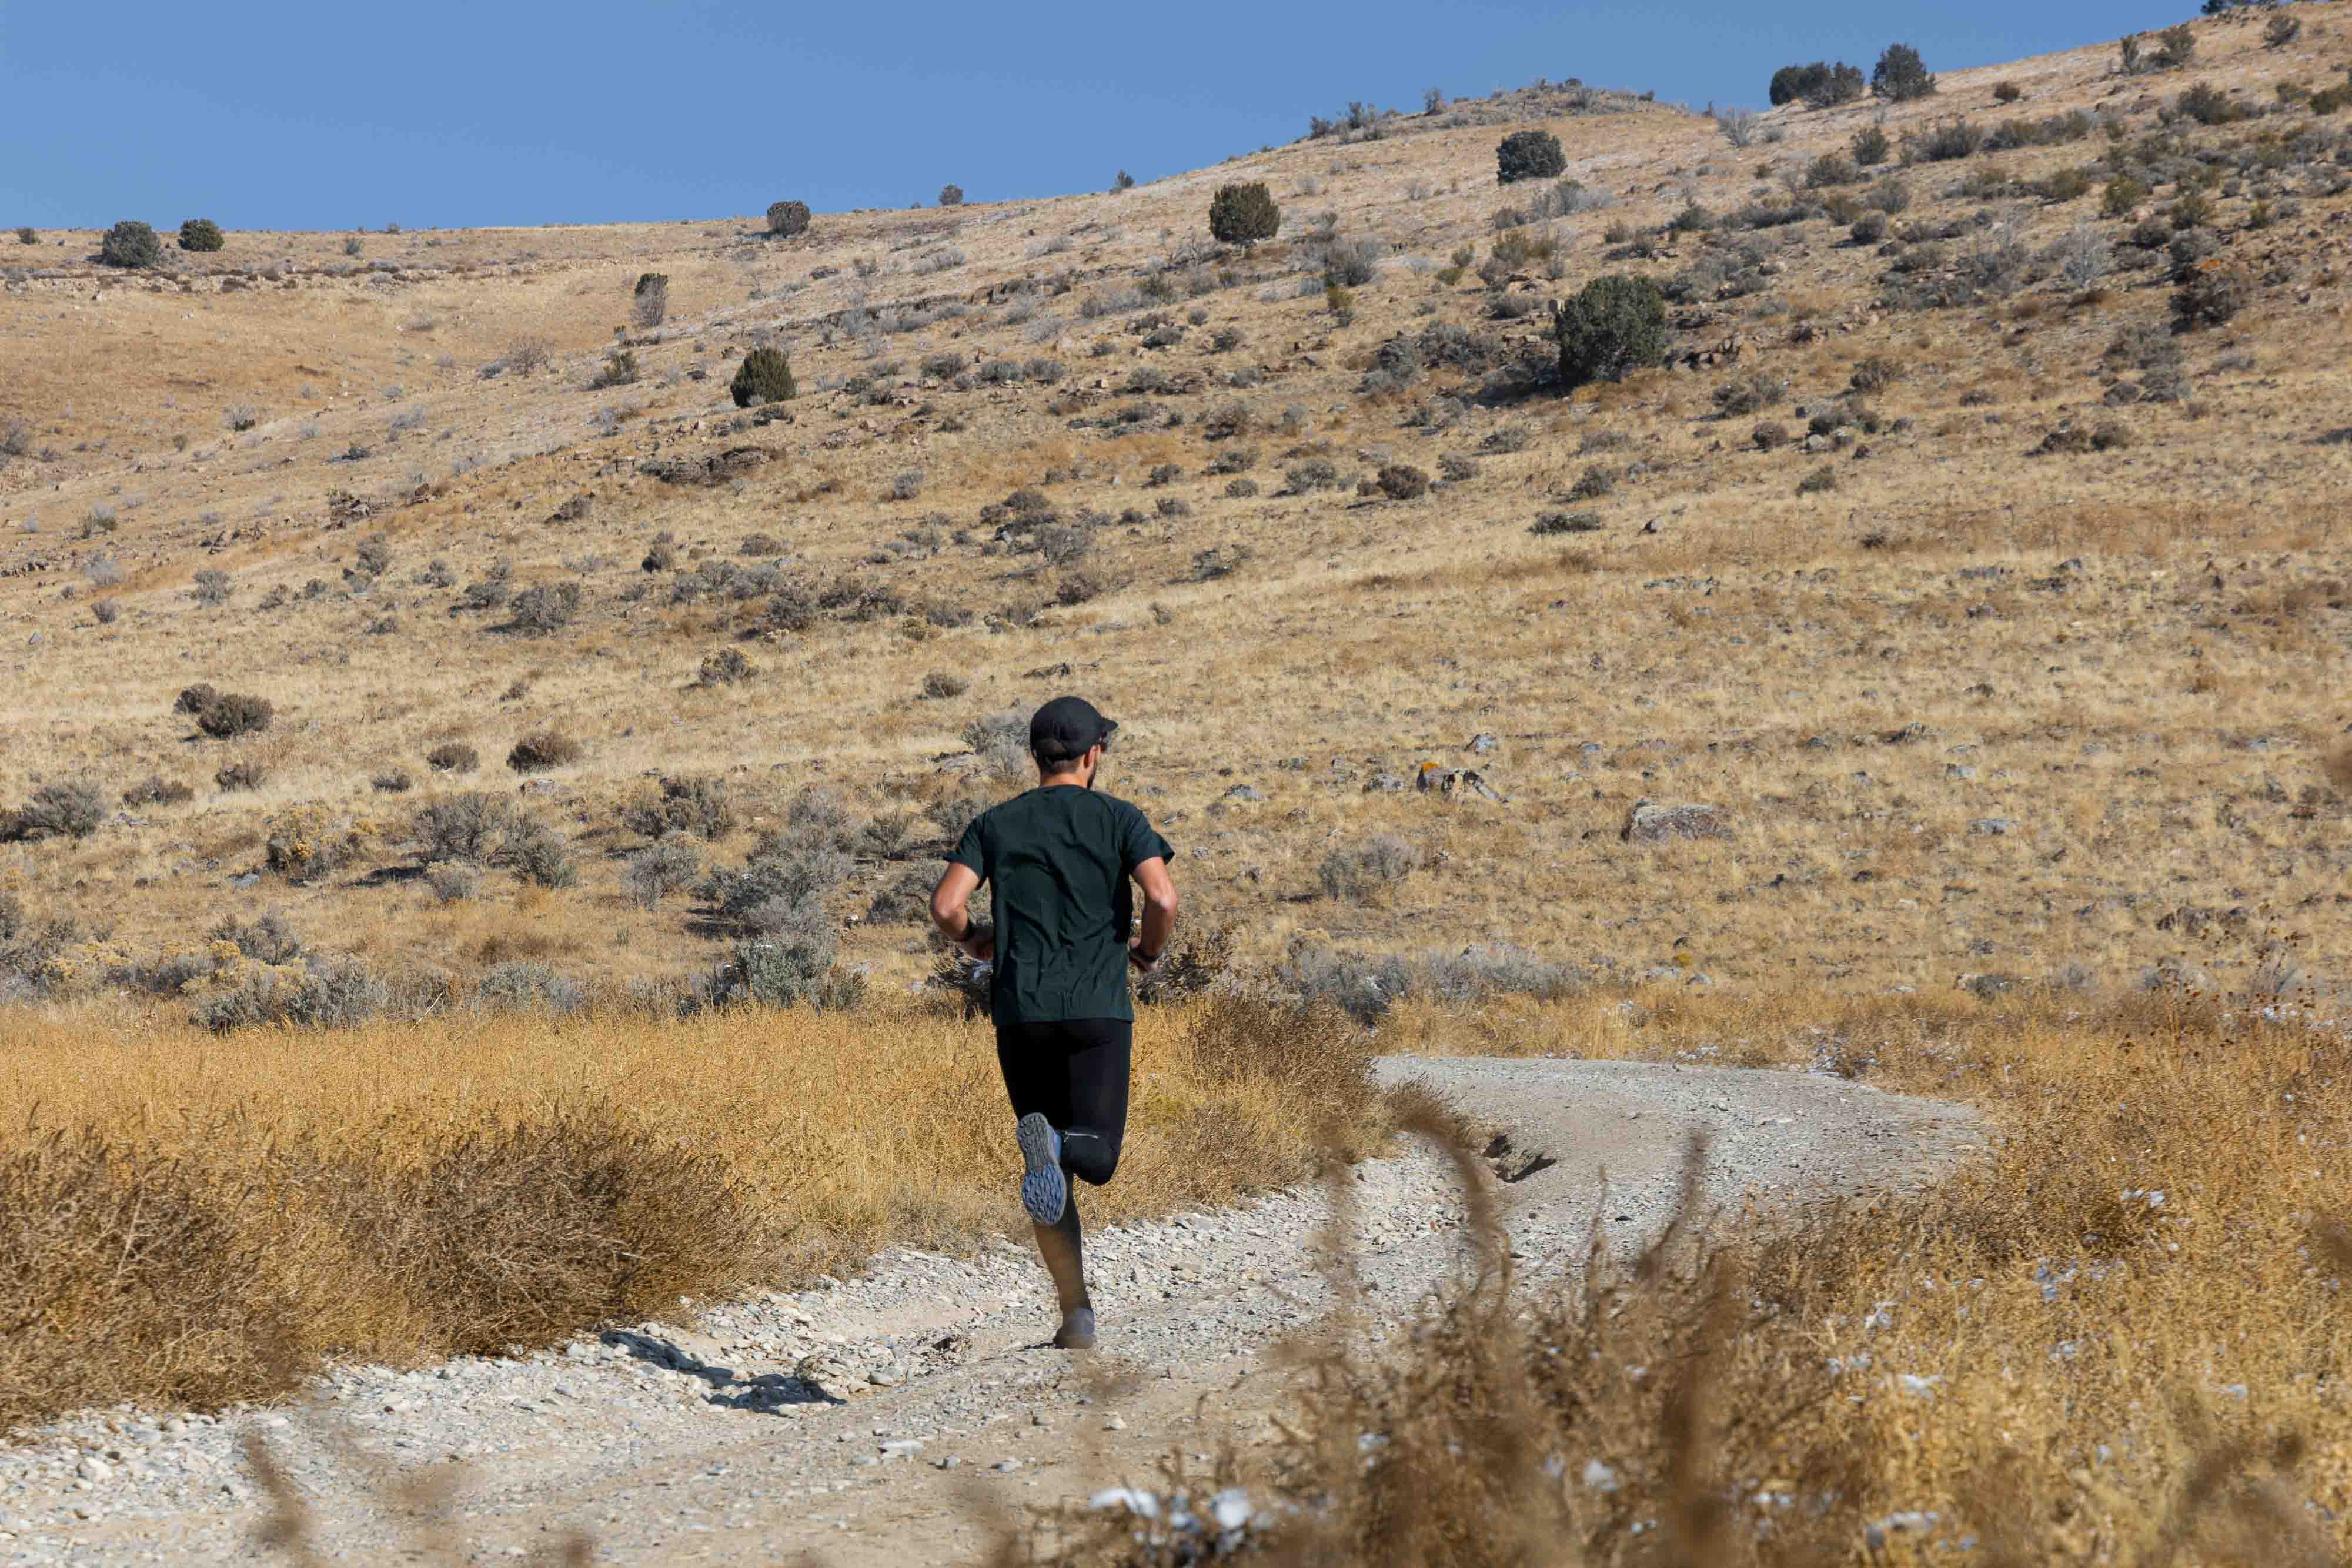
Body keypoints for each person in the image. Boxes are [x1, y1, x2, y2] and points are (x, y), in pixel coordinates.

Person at [929, 696, 1178, 1350]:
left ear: (1035, 756)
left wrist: (976, 940)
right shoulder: (1120, 818)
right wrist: (1147, 953)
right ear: (1094, 754)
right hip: (1097, 1008)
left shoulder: (995, 823)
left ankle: (1076, 1315)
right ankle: (1062, 1146)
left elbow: (946, 905)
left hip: (1021, 1015)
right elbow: (1162, 896)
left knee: (1045, 1177)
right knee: (1093, 1157)